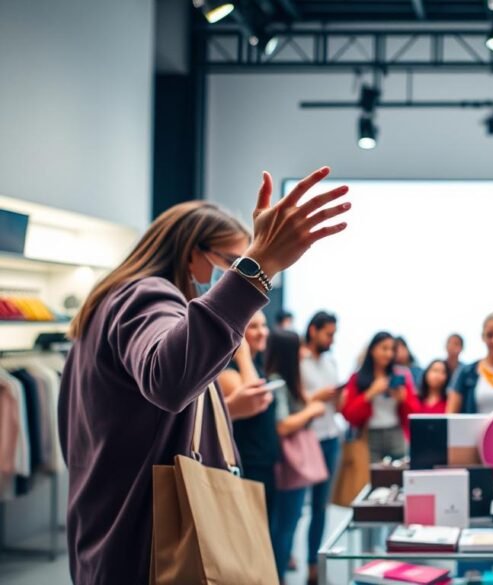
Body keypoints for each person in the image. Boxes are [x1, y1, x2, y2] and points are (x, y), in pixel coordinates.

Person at [58, 166, 351, 584]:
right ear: (192, 252)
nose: (234, 272)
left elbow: (137, 415)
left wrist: (225, 408)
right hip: (146, 542)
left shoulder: (112, 304)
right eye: (231, 262)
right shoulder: (148, 294)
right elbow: (168, 379)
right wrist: (259, 264)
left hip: (117, 530)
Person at [266, 330, 329, 583]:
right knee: (285, 526)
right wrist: (312, 410)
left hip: (285, 464)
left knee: (287, 525)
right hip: (288, 463)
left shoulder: (284, 380)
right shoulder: (279, 381)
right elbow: (282, 425)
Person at [217, 310, 278, 519]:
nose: (262, 332)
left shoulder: (257, 365)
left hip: (264, 461)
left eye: (264, 325)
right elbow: (255, 401)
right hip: (247, 463)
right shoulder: (229, 371)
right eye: (253, 326)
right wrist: (242, 353)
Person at [300, 310, 343, 585]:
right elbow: (293, 400)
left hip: (330, 437)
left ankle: (313, 564)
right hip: (306, 439)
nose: (332, 340)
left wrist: (338, 397)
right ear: (313, 331)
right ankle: (285, 557)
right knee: (294, 505)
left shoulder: (331, 363)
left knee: (320, 505)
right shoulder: (298, 362)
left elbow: (336, 406)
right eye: (328, 334)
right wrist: (317, 396)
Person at [341, 332, 420, 461]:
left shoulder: (402, 375)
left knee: (400, 469)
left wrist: (403, 399)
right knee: (370, 472)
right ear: (372, 350)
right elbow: (349, 415)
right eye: (384, 348)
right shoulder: (357, 378)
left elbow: (414, 412)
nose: (389, 354)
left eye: (392, 349)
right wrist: (369, 394)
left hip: (395, 432)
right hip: (369, 434)